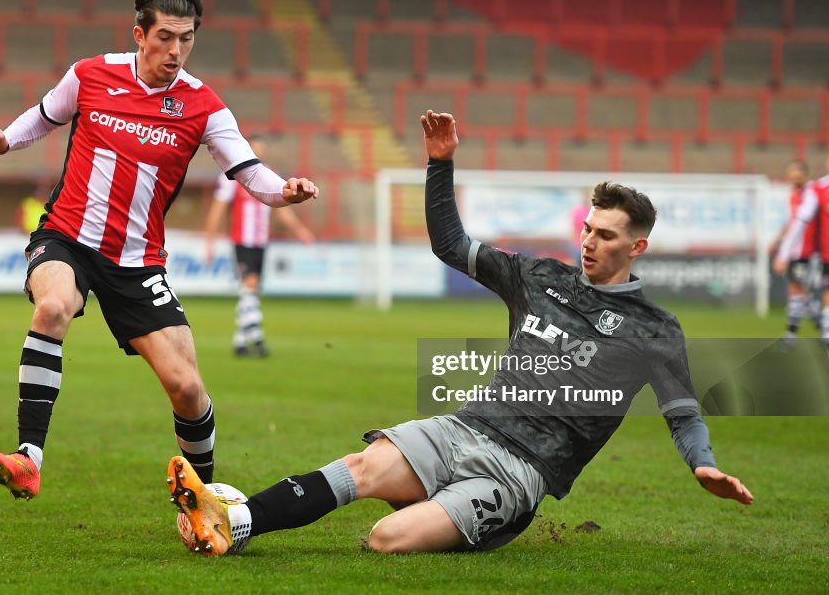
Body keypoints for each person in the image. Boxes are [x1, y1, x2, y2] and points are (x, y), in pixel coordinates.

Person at [167, 110, 752, 556]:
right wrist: (439, 164)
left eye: (606, 236)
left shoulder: (654, 328)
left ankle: (467, 511)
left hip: (519, 472)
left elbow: (683, 412)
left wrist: (701, 463)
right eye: (588, 229)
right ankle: (233, 523)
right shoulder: (539, 277)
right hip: (461, 427)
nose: (590, 243)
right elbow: (451, 245)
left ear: (637, 247)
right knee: (363, 467)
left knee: (386, 539)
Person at [0, 0, 318, 500]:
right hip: (67, 235)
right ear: (140, 34)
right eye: (166, 37)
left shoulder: (203, 106)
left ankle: (203, 494)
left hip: (137, 262)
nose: (176, 50)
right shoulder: (89, 75)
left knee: (187, 387)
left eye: (188, 39)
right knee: (54, 305)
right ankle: (29, 458)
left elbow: (251, 173)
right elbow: (43, 118)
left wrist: (285, 191)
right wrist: (3, 140)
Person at [202, 134, 316, 357]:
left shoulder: (269, 175)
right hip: (242, 240)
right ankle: (256, 337)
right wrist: (210, 241)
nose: (258, 153)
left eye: (261, 150)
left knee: (251, 290)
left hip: (261, 241)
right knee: (250, 285)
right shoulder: (231, 177)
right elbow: (217, 210)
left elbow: (282, 208)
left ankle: (241, 341)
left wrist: (299, 230)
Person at [775, 154, 829, 347]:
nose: (791, 176)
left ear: (804, 174)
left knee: (799, 290)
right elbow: (794, 222)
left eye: (795, 172)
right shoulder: (796, 195)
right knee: (796, 291)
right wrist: (778, 241)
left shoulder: (812, 192)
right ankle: (796, 332)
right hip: (798, 252)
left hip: (809, 252)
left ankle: (816, 325)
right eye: (789, 173)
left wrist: (783, 252)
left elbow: (803, 222)